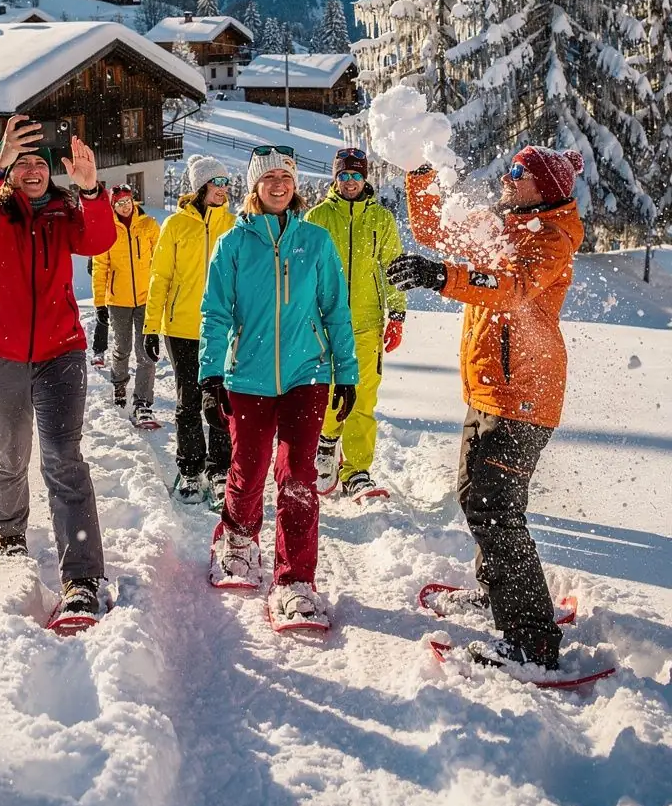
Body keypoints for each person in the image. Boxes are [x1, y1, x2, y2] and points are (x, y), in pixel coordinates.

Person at [388, 145, 585, 670]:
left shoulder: (549, 238)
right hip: (488, 391)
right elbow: (434, 230)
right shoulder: (502, 223)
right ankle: (500, 592)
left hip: (524, 396)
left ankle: (532, 639)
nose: (507, 176)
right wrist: (418, 168)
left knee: (495, 509)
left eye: (520, 171)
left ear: (544, 188)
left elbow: (511, 288)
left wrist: (442, 277)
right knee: (474, 496)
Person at [0, 115, 116, 624]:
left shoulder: (65, 215)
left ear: (50, 171)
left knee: (64, 459)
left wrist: (91, 190)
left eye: (39, 163)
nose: (32, 170)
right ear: (9, 170)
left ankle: (82, 579)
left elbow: (100, 240)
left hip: (60, 354)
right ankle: (10, 536)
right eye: (20, 163)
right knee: (11, 453)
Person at [199, 146, 359, 629]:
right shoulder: (233, 244)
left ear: (295, 185)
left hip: (307, 375)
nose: (278, 184)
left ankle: (294, 581)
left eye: (285, 177)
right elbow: (215, 314)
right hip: (247, 376)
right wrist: (210, 375)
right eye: (268, 177)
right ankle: (238, 540)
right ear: (254, 186)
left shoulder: (316, 241)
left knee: (297, 477)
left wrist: (346, 372)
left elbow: (336, 310)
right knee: (248, 468)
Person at [306, 146, 406, 500]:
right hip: (324, 322)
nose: (350, 182)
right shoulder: (318, 217)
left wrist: (397, 314)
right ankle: (326, 441)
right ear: (335, 178)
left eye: (356, 175)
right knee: (327, 390)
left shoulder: (381, 219)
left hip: (366, 322)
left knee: (363, 397)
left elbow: (393, 267)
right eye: (344, 175)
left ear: (365, 178)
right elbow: (303, 271)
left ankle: (357, 470)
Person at [142, 154, 235, 504]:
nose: (223, 189)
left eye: (226, 183)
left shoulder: (235, 225)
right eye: (217, 183)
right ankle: (191, 469)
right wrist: (151, 326)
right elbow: (160, 277)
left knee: (222, 402)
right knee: (189, 401)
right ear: (200, 187)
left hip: (222, 329)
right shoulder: (176, 225)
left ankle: (220, 469)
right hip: (181, 327)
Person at [90, 184, 160, 420]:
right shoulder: (107, 230)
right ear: (113, 206)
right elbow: (100, 268)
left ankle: (143, 402)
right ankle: (119, 384)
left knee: (145, 352)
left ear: (133, 201)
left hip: (146, 299)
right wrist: (100, 303)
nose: (125, 206)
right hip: (118, 301)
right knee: (122, 348)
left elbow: (160, 262)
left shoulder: (148, 225)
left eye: (127, 201)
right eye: (119, 203)